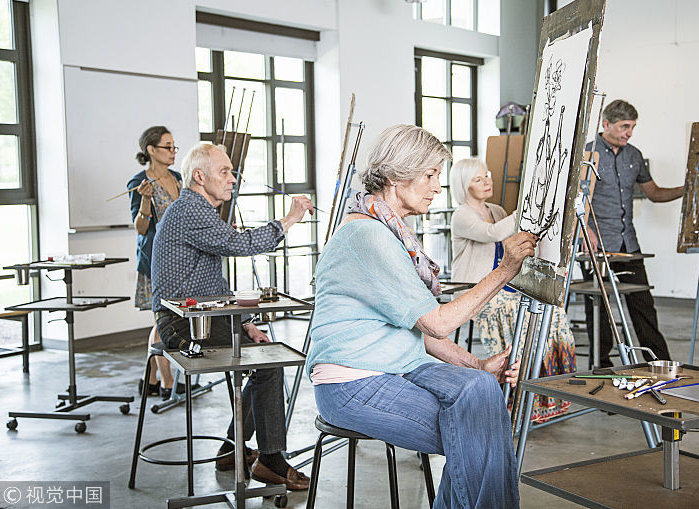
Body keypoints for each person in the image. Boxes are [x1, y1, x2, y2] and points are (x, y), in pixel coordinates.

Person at [306, 125, 537, 508]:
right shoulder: (369, 236)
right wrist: (505, 270)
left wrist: (477, 364)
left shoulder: (390, 231)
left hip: (396, 364)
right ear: (397, 176)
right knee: (477, 430)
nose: (436, 187)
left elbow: (419, 328)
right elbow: (436, 323)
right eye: (429, 175)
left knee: (482, 390)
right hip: (351, 381)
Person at [151, 143, 314, 490]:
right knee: (268, 364)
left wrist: (245, 324)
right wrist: (289, 219)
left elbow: (213, 284)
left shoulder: (200, 212)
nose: (232, 178)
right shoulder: (189, 211)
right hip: (181, 325)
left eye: (231, 170)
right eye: (224, 171)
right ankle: (270, 460)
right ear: (199, 176)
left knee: (265, 356)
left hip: (204, 318)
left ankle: (231, 449)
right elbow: (241, 245)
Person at [450, 157, 575, 422]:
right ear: (464, 185)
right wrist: (528, 207)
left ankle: (545, 395)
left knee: (551, 313)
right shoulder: (461, 214)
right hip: (474, 289)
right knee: (515, 315)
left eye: (488, 175)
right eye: (478, 179)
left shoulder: (494, 209)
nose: (487, 182)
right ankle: (514, 396)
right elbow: (493, 233)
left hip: (501, 285)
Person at [583, 99, 684, 367]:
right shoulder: (588, 154)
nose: (629, 132)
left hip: (628, 243)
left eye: (632, 127)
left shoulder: (634, 155)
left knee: (643, 304)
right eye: (624, 126)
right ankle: (602, 367)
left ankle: (660, 363)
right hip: (598, 245)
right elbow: (575, 202)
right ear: (606, 124)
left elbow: (654, 193)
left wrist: (688, 189)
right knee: (600, 310)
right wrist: (586, 232)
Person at [128, 126, 180, 400]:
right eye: (167, 147)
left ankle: (149, 379)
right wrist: (145, 199)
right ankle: (168, 383)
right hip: (156, 260)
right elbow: (140, 227)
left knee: (166, 319)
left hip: (180, 259)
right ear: (151, 150)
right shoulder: (139, 182)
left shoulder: (178, 178)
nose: (173, 152)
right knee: (163, 320)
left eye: (174, 147)